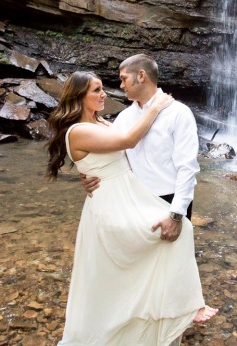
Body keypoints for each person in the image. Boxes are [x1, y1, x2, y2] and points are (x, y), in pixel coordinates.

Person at [47, 71, 217, 346]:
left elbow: (121, 152)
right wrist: (155, 106)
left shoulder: (103, 123)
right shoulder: (79, 130)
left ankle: (163, 314)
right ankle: (184, 307)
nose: (104, 94)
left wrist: (87, 174)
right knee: (165, 237)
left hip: (127, 197)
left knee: (171, 238)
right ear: (79, 95)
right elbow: (127, 141)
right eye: (97, 90)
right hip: (112, 206)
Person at [82, 54, 199, 245]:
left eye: (123, 79)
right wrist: (89, 176)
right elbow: (110, 157)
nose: (121, 85)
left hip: (168, 200)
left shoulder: (179, 113)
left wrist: (177, 214)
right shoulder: (124, 117)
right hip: (132, 202)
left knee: (172, 266)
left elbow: (187, 167)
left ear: (141, 75)